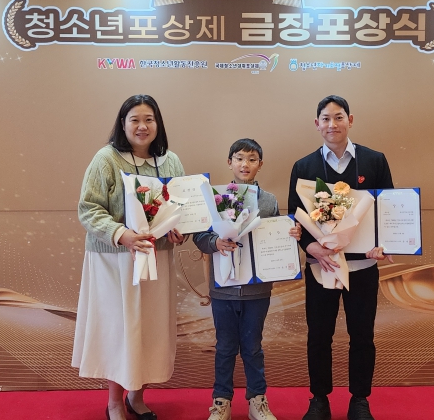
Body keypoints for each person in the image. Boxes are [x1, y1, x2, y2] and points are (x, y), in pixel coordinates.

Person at [72, 94, 187, 420]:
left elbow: (183, 209)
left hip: (156, 259)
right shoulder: (106, 159)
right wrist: (121, 234)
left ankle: (137, 396)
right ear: (123, 124)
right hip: (115, 261)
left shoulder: (171, 162)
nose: (142, 126)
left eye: (149, 119)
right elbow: (88, 209)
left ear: (158, 124)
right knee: (120, 330)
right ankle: (114, 402)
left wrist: (180, 231)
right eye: (134, 119)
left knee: (150, 329)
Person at [287, 96, 394, 420]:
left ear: (350, 119)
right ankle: (319, 399)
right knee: (319, 336)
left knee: (362, 335)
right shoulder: (304, 167)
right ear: (316, 123)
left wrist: (382, 245)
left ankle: (359, 400)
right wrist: (310, 247)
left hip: (363, 266)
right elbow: (295, 217)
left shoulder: (374, 161)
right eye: (325, 118)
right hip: (322, 267)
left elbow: (387, 209)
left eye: (338, 117)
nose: (332, 124)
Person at [193, 138, 301, 420]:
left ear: (260, 165)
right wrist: (215, 242)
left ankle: (257, 400)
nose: (245, 164)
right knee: (225, 347)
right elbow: (200, 236)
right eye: (239, 158)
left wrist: (291, 234)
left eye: (252, 159)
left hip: (257, 290)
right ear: (229, 162)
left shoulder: (269, 201)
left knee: (253, 347)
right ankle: (221, 402)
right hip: (223, 289)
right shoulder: (215, 197)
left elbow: (276, 235)